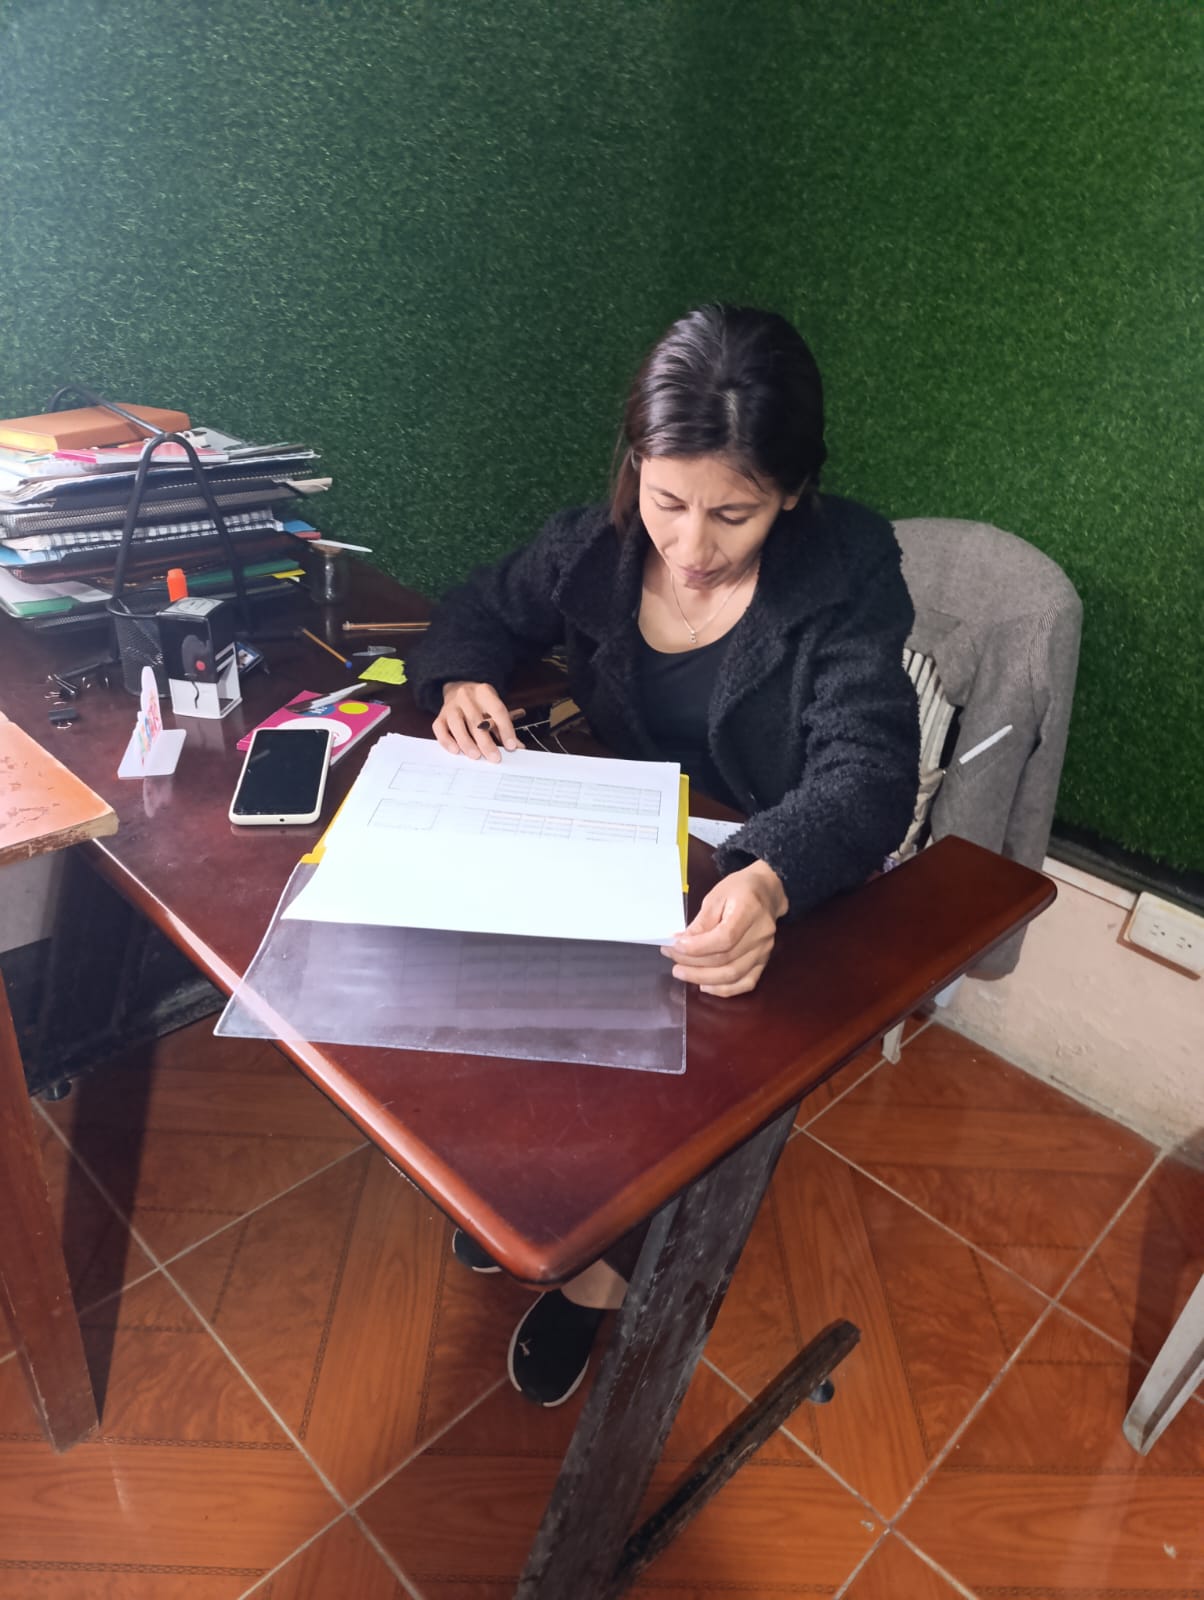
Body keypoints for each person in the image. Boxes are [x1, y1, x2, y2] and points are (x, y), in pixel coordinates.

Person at [409, 304, 920, 1405]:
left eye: (733, 513)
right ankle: (552, 1201)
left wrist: (767, 876)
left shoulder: (847, 566)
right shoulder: (595, 549)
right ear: (635, 465)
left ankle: (603, 1274)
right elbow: (480, 605)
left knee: (694, 1063)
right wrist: (460, 676)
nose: (690, 549)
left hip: (777, 860)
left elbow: (869, 774)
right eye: (667, 502)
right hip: (625, 834)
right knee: (519, 996)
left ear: (792, 490)